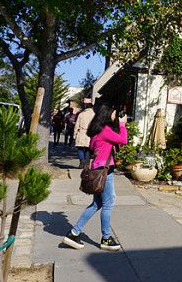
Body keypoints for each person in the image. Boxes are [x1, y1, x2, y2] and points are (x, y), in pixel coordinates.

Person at [63, 103, 127, 251]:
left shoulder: (97, 131)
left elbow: (95, 147)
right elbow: (123, 140)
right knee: (109, 203)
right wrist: (122, 125)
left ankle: (74, 233)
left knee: (96, 204)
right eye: (114, 113)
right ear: (108, 114)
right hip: (104, 171)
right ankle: (106, 238)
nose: (115, 115)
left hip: (97, 169)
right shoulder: (105, 130)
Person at [73, 98, 95, 168]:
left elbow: (77, 125)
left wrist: (75, 135)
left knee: (80, 148)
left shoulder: (81, 114)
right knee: (88, 149)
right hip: (90, 133)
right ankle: (86, 163)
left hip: (81, 132)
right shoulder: (94, 114)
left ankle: (81, 161)